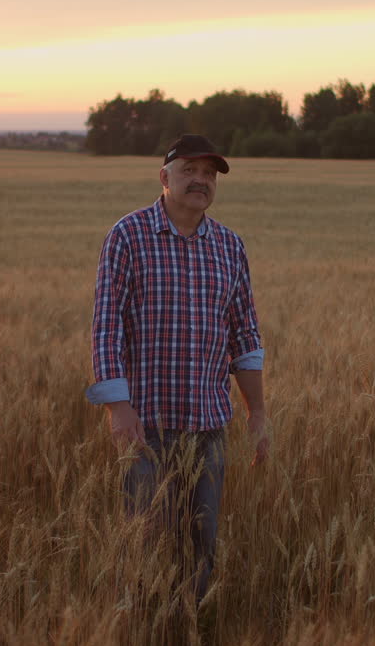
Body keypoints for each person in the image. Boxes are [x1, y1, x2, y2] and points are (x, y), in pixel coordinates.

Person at [86, 133, 267, 603]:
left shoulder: (230, 247)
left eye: (209, 174)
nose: (201, 181)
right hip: (146, 429)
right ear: (164, 178)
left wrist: (258, 414)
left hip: (209, 429)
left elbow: (245, 338)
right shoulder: (128, 235)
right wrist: (118, 409)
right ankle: (142, 637)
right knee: (143, 542)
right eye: (190, 170)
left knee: (200, 548)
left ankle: (189, 631)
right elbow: (106, 329)